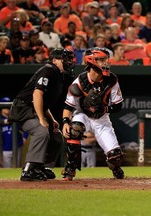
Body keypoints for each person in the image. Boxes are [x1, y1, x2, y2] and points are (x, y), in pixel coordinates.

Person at [8, 48, 76, 181]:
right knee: (41, 131)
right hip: (23, 108)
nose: (69, 62)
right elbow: (37, 94)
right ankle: (29, 169)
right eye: (65, 59)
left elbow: (44, 103)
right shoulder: (49, 69)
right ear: (55, 60)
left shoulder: (58, 75)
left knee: (56, 136)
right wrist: (41, 119)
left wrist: (51, 119)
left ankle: (41, 167)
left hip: (33, 108)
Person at [61, 47, 125, 181]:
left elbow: (118, 105)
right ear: (91, 61)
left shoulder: (112, 80)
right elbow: (68, 105)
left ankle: (116, 168)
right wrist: (66, 121)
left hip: (101, 118)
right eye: (101, 60)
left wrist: (104, 109)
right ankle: (70, 168)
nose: (105, 63)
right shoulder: (80, 81)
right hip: (82, 114)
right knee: (75, 129)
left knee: (115, 157)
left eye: (105, 60)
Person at [0, 97, 27, 168]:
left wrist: (25, 137)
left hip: (17, 147)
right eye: (5, 107)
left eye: (8, 106)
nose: (7, 108)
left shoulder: (16, 117)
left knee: (16, 167)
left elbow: (26, 127)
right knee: (6, 169)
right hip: (4, 149)